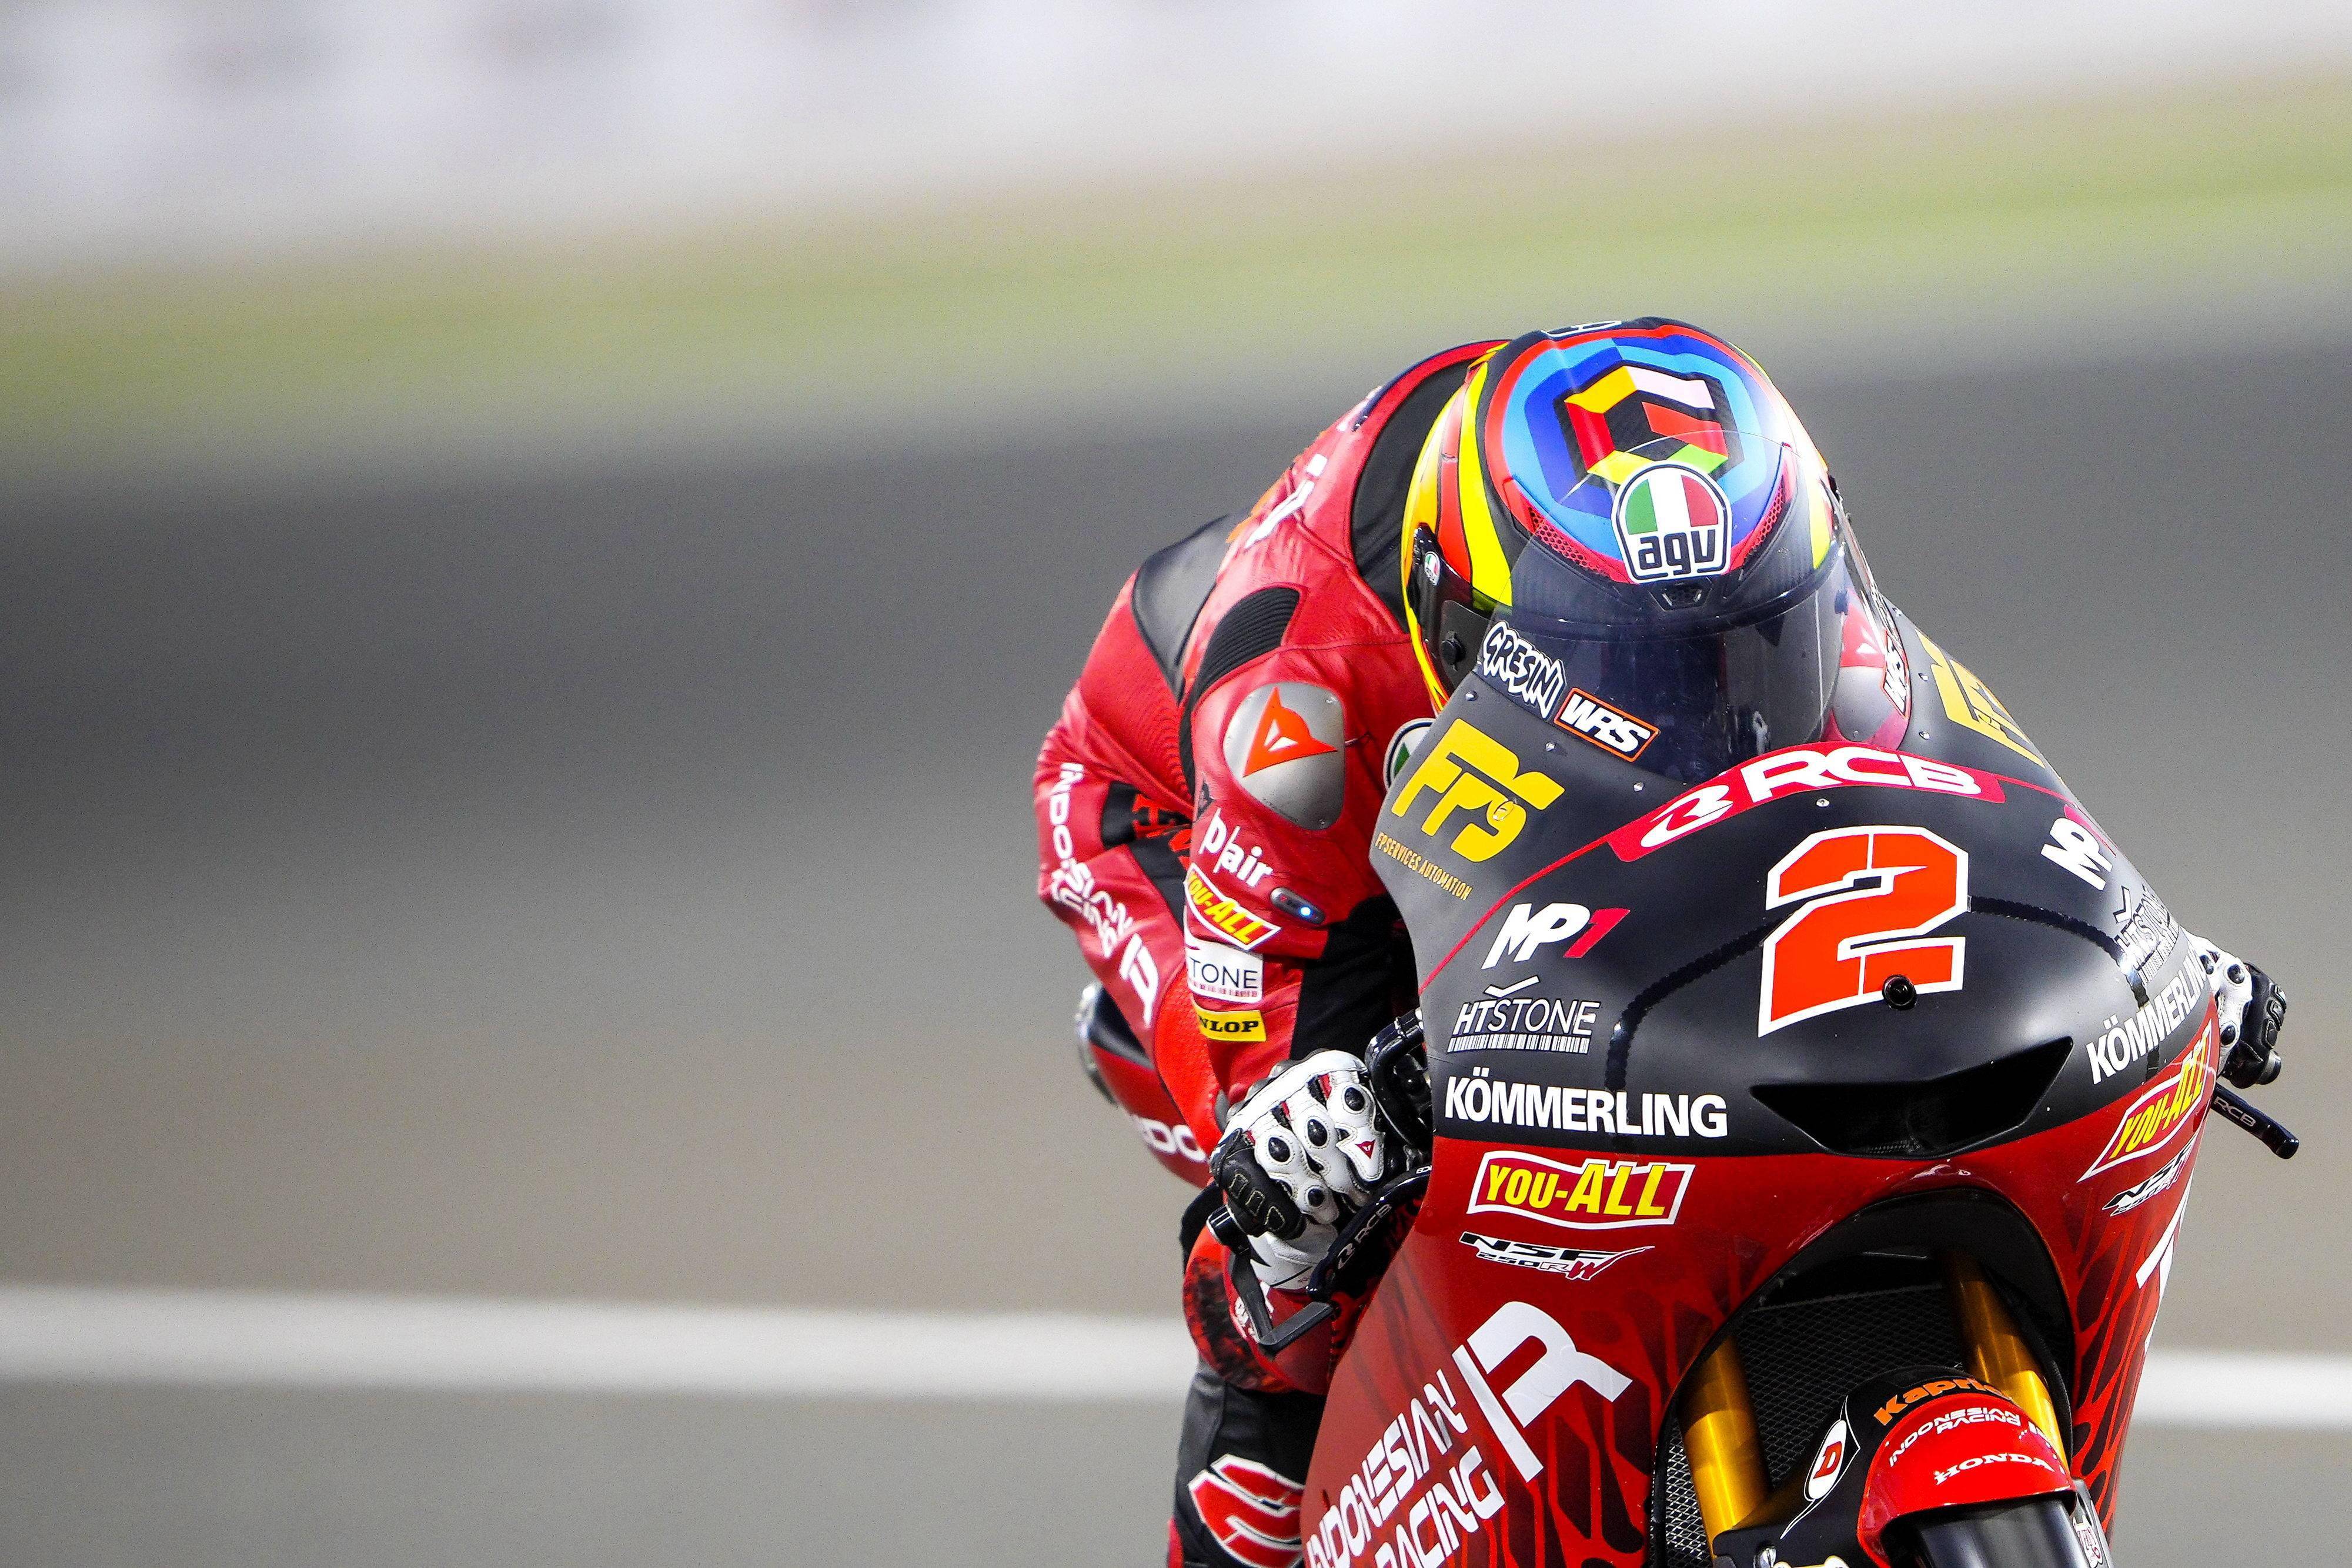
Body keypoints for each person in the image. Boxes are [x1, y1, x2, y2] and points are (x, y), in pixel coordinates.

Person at [1030, 320, 2284, 1568]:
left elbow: (1975, 794)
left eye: (1741, 651)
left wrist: (2147, 954)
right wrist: (1291, 1126)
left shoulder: (1783, 573)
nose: (1712, 707)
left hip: (1508, 811)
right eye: (1645, 672)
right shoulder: (1295, 707)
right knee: (1299, 1233)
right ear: (1460, 628)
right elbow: (1263, 1054)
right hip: (1192, 832)